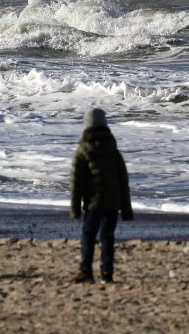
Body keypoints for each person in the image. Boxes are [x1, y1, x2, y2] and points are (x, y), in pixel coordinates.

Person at [70, 107, 133, 283]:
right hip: (112, 203)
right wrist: (127, 210)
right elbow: (123, 181)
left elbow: (76, 183)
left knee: (88, 235)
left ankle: (86, 271)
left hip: (93, 203)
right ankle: (107, 273)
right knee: (107, 237)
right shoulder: (113, 150)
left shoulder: (83, 150)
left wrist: (74, 209)